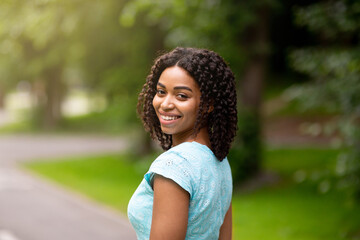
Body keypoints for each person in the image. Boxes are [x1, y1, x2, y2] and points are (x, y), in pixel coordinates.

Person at [127, 47, 237, 240]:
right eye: (161, 92)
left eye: (181, 96)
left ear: (209, 103)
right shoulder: (219, 161)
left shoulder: (174, 166)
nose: (166, 103)